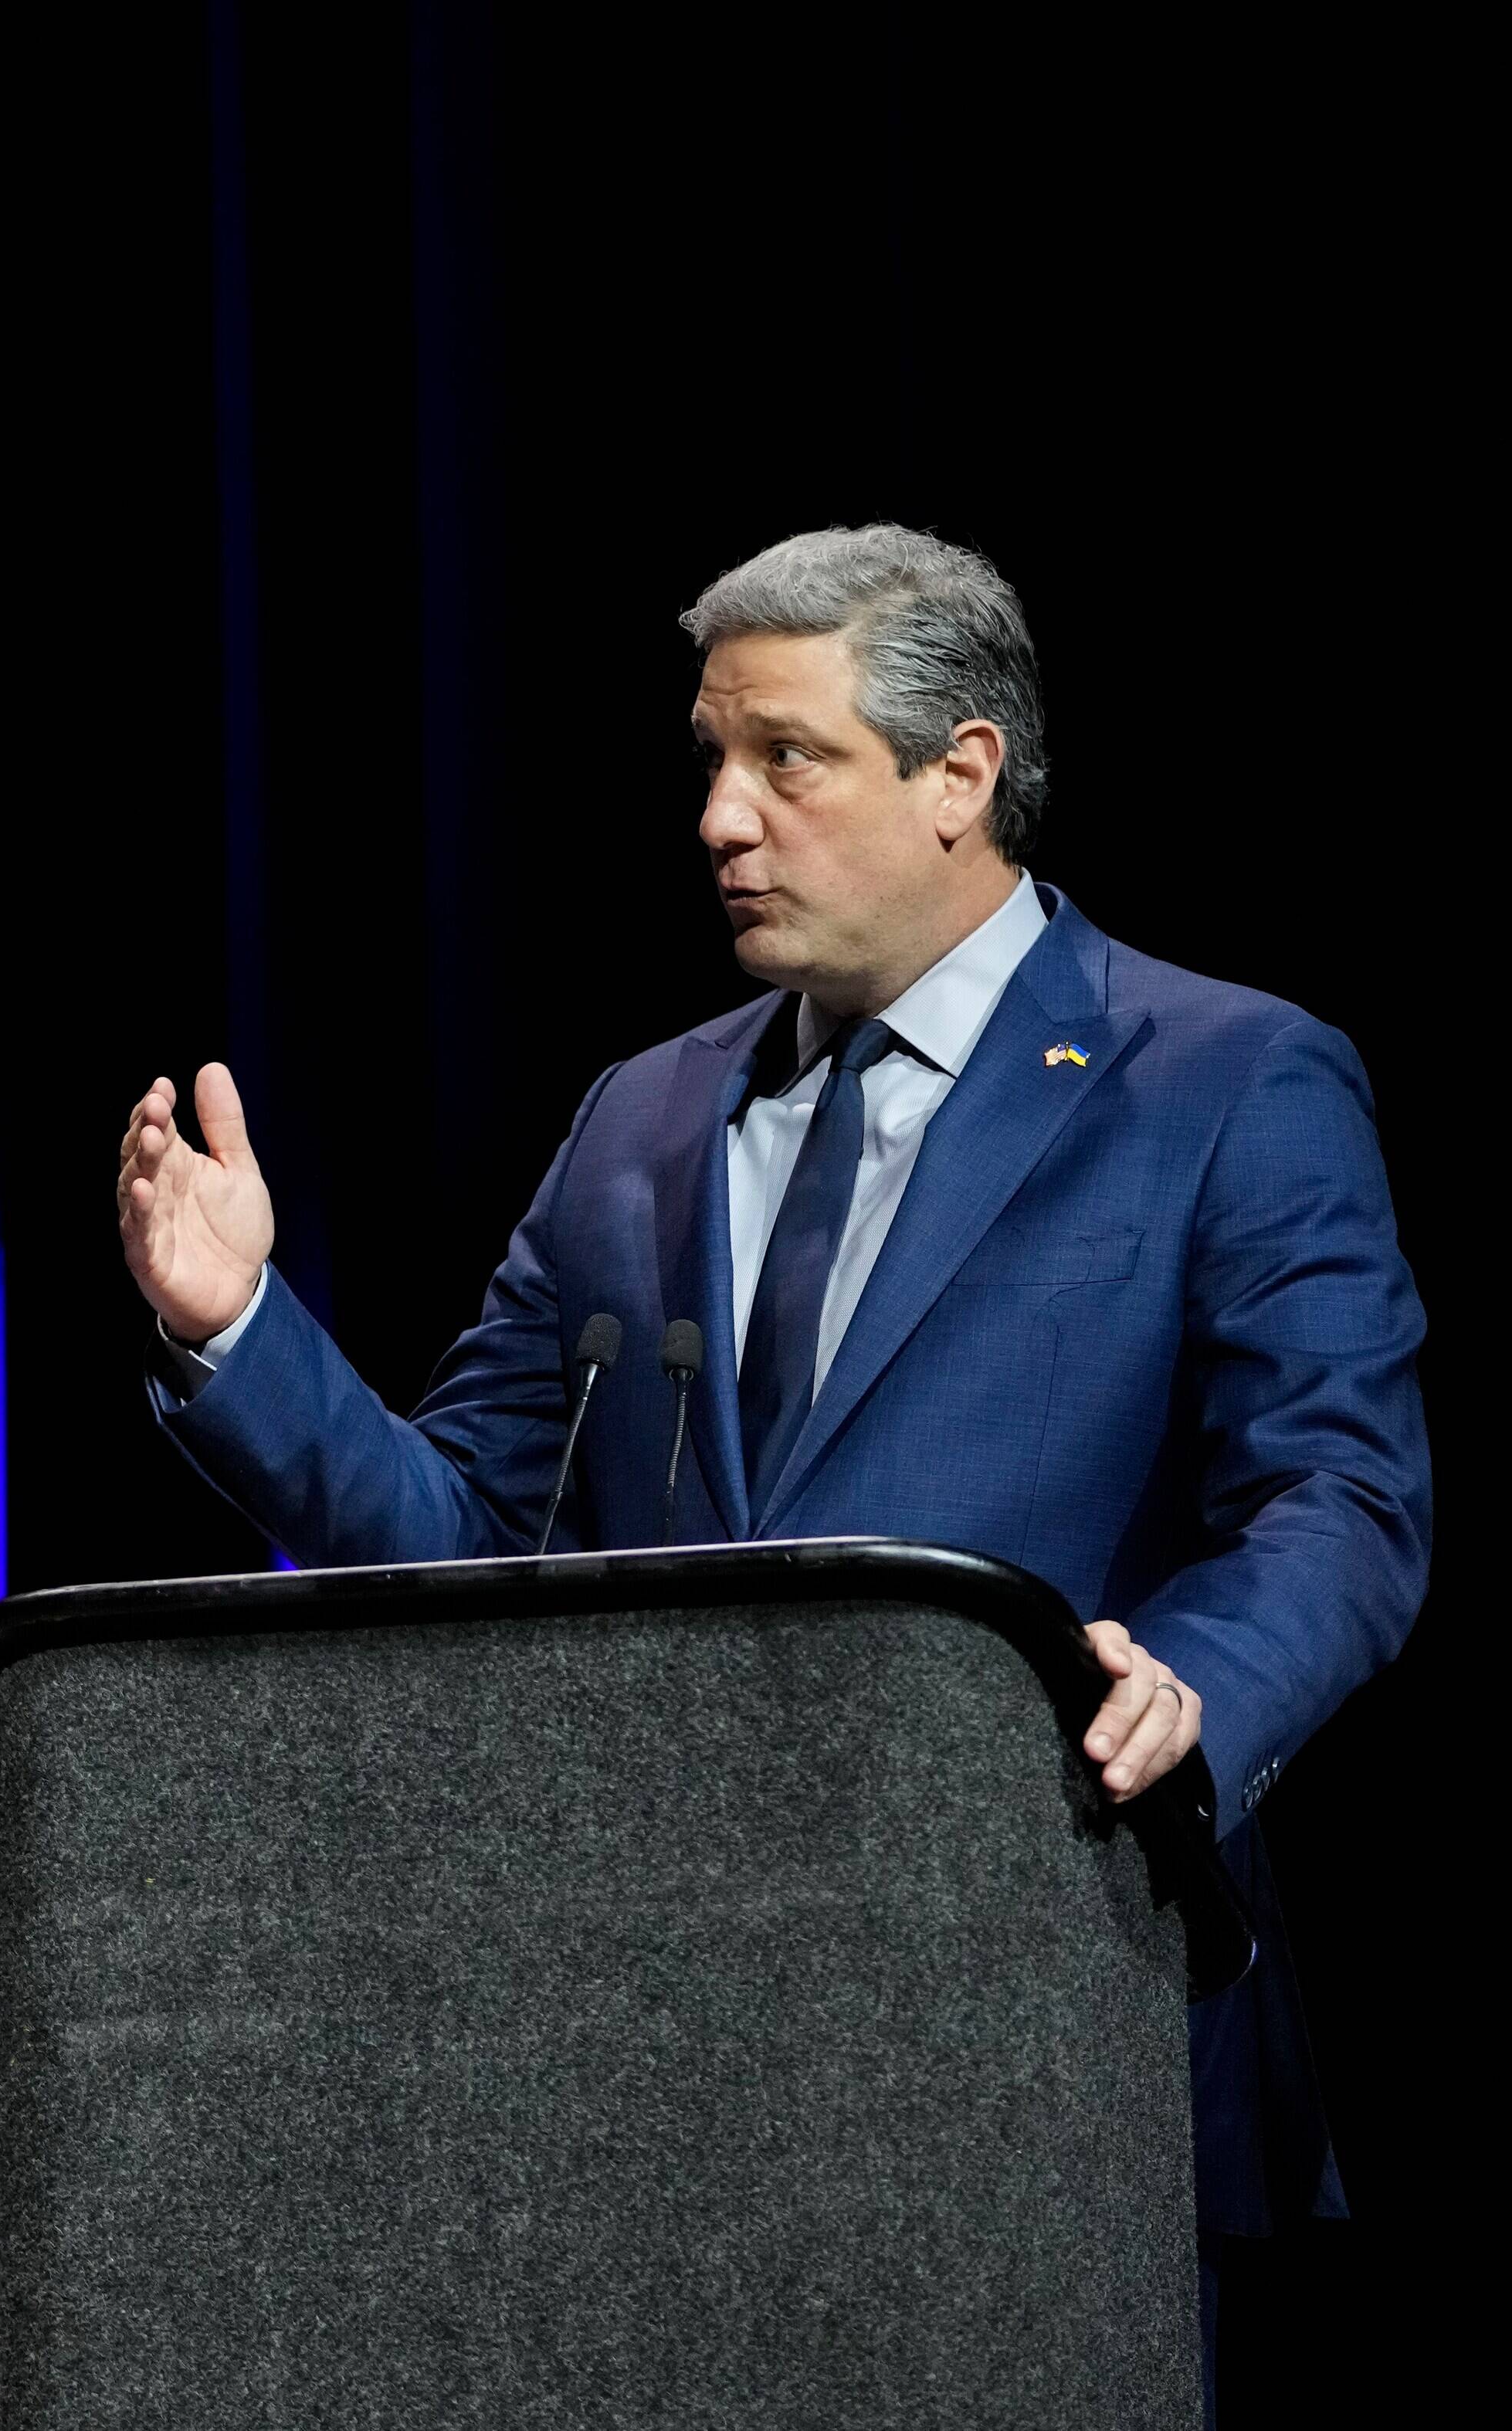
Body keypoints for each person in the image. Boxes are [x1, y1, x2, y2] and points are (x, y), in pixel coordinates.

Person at [113, 528, 1426, 2270]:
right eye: (712, 762)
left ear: (960, 773)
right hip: (671, 2063)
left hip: (1050, 2013)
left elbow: (1338, 1500)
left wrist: (1190, 1685)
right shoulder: (637, 1121)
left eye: (785, 759)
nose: (722, 818)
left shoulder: (1222, 1079)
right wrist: (239, 1331)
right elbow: (470, 1543)